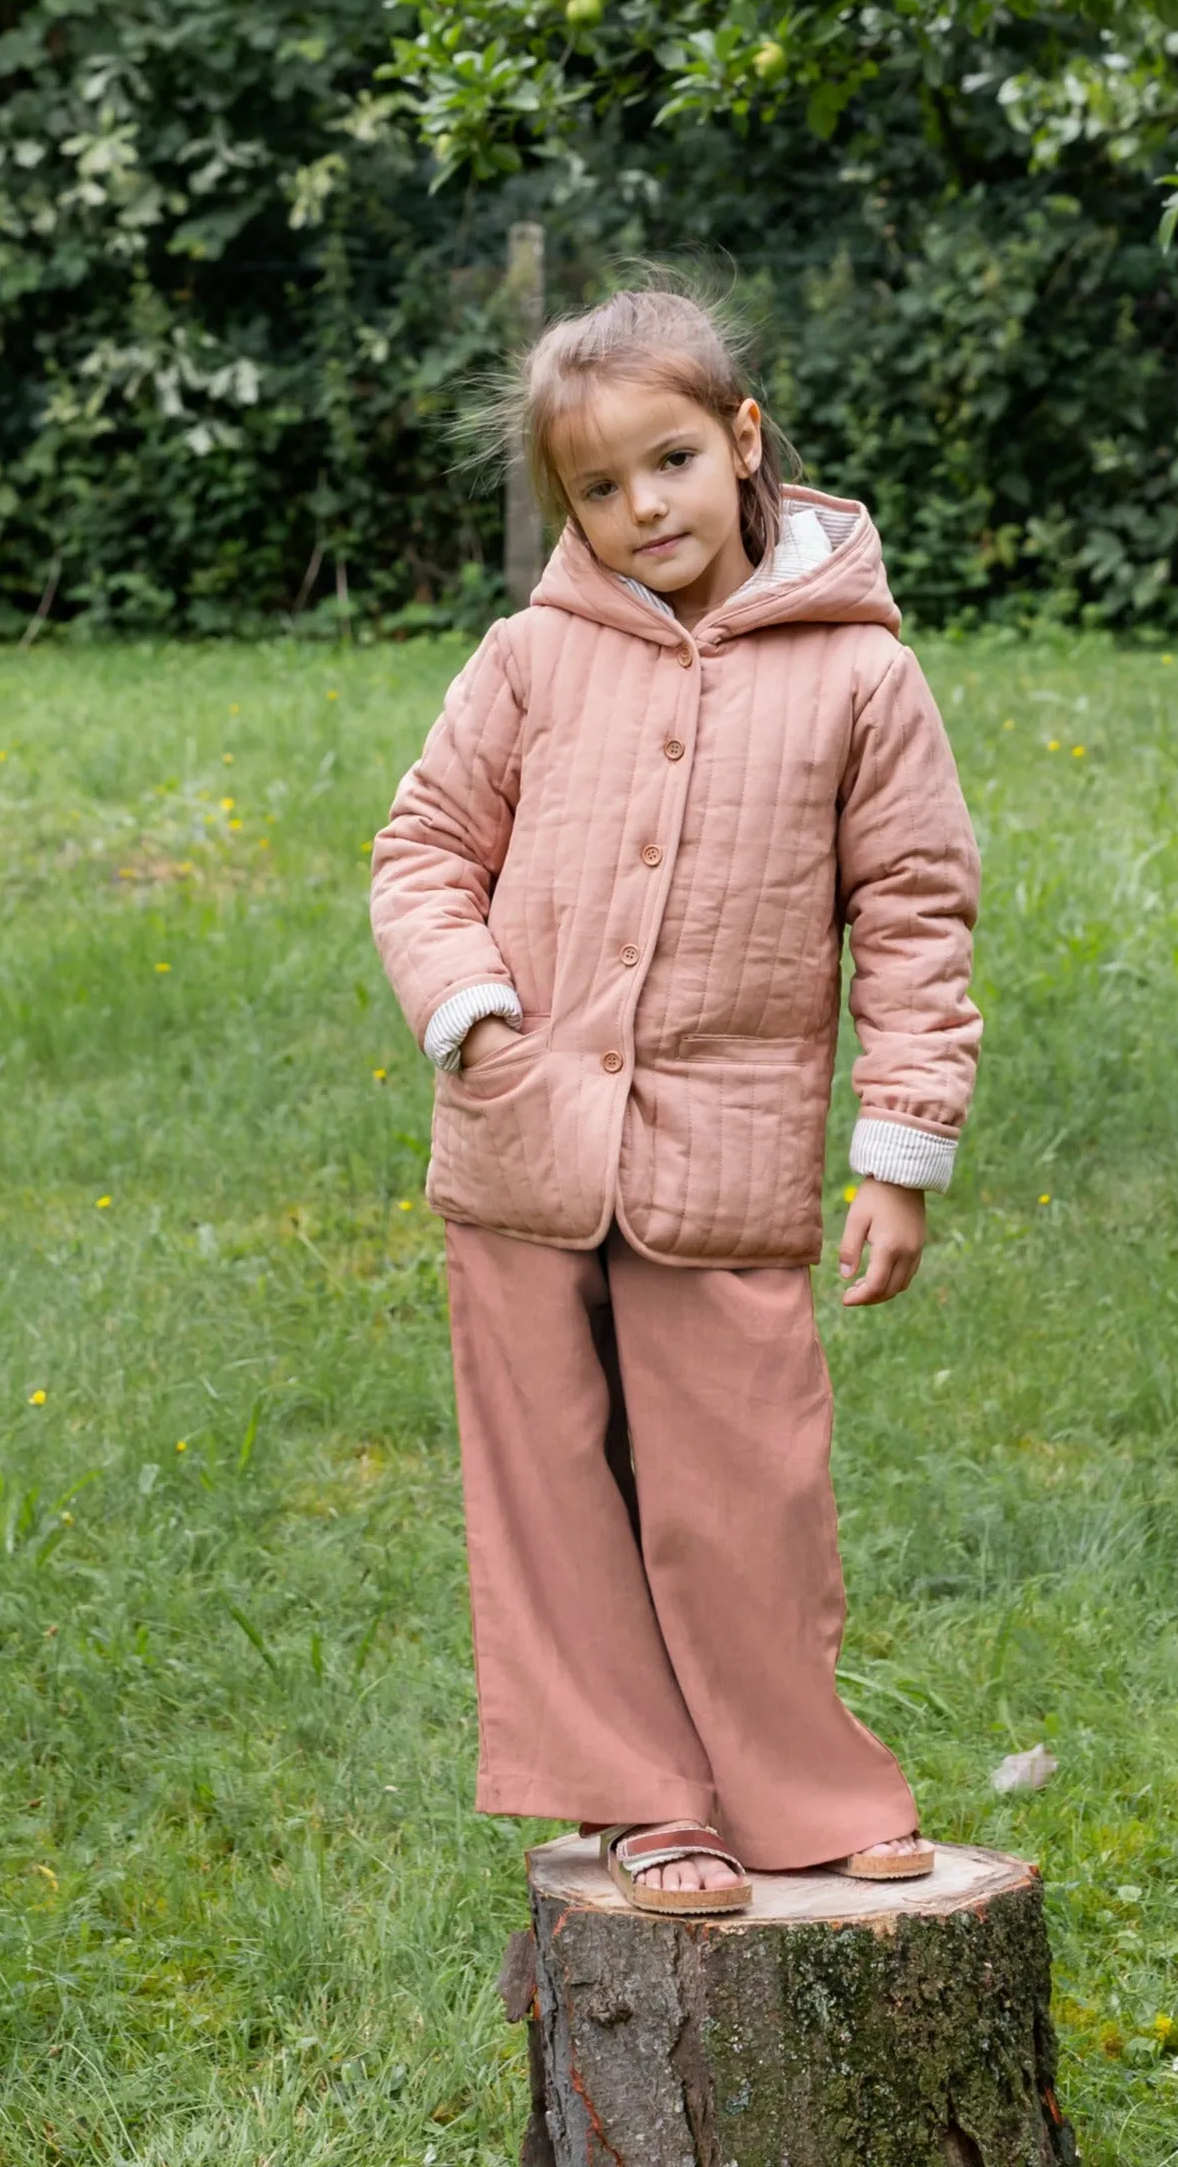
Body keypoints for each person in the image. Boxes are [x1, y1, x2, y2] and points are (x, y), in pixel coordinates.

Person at [369, 285, 980, 1914]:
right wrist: (469, 1010)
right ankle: (641, 1797)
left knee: (748, 1488)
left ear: (744, 442)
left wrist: (900, 1149)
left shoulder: (863, 679)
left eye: (673, 462)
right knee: (556, 1486)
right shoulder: (529, 660)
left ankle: (797, 1784)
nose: (644, 509)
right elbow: (422, 847)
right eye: (598, 487)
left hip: (728, 1165)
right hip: (523, 1146)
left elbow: (917, 909)